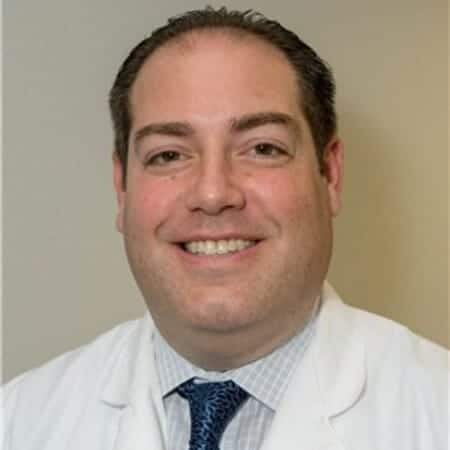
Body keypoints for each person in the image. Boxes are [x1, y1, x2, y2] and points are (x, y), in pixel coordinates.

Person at [3, 7, 448, 450]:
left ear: (330, 175)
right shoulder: (18, 419)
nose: (213, 194)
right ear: (122, 188)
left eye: (262, 148)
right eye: (168, 155)